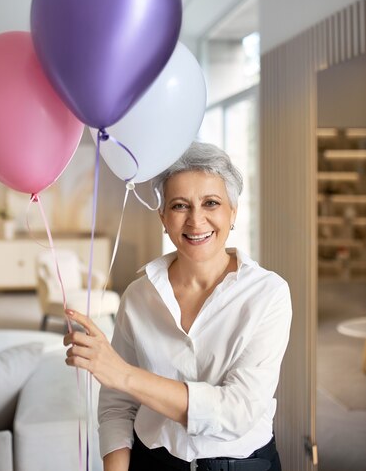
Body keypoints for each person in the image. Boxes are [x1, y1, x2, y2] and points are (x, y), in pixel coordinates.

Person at [64, 141, 292, 471]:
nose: (195, 220)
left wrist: (125, 375)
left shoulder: (268, 294)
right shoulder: (138, 296)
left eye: (211, 203)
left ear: (233, 212)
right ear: (163, 216)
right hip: (151, 462)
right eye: (180, 206)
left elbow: (238, 411)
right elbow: (116, 405)